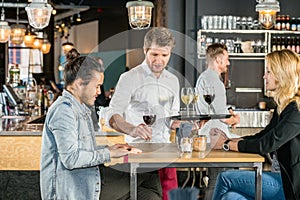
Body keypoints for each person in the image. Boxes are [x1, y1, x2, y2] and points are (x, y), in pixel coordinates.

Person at [40, 51, 141, 199]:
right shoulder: (64, 111)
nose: (99, 92)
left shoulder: (79, 108)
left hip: (86, 179)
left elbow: (81, 150)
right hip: (73, 191)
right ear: (79, 83)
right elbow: (71, 159)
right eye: (97, 86)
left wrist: (108, 149)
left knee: (148, 182)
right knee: (147, 181)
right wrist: (109, 154)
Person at [211, 49, 300, 200]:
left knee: (225, 178)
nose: (264, 76)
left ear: (281, 75)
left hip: (289, 185)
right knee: (231, 197)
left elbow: (266, 144)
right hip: (280, 179)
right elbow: (262, 136)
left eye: (269, 71)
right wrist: (231, 140)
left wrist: (226, 144)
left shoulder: (296, 109)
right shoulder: (283, 107)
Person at [103, 27, 181, 200]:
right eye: (154, 54)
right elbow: (113, 114)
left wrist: (177, 123)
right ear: (145, 50)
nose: (159, 60)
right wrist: (132, 129)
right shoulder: (129, 78)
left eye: (164, 55)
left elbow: (173, 116)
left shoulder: (173, 81)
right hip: (138, 153)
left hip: (166, 153)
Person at [195, 43, 240, 199]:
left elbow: (214, 109)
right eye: (226, 59)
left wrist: (228, 112)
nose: (228, 63)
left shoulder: (204, 77)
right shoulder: (215, 81)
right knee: (219, 181)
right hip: (216, 137)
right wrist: (234, 118)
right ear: (219, 59)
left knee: (215, 180)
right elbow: (222, 116)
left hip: (208, 136)